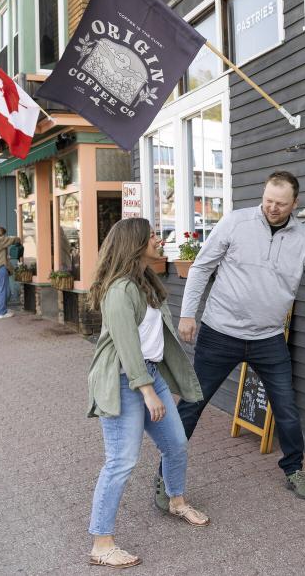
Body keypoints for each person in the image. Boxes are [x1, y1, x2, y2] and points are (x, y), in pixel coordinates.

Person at [161, 171, 305, 504]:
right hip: (220, 333)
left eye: (280, 203)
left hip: (268, 339)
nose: (272, 208)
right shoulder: (235, 223)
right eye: (268, 201)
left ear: (295, 203)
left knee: (287, 408)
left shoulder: (304, 239)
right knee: (193, 405)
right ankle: (166, 476)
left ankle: (293, 469)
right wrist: (188, 314)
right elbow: (202, 266)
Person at [86, 218, 208, 569]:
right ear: (136, 244)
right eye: (152, 235)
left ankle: (176, 501)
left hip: (147, 374)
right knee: (121, 461)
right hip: (125, 380)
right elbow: (126, 346)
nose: (158, 239)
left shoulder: (145, 281)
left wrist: (156, 383)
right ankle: (101, 542)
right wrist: (148, 392)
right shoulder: (120, 289)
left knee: (176, 443)